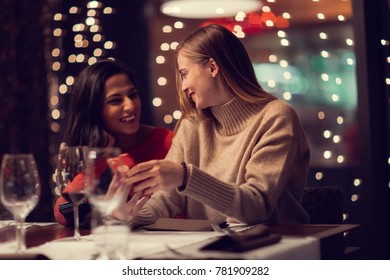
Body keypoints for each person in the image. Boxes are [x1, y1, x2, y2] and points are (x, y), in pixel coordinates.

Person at [111, 24, 311, 227]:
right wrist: (123, 216)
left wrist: (186, 177)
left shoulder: (276, 117)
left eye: (185, 74)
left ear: (213, 67)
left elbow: (256, 208)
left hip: (274, 248)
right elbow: (166, 200)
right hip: (210, 250)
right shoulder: (192, 124)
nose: (184, 86)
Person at [53, 59, 174, 226]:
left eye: (133, 95)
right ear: (94, 110)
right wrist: (100, 162)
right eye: (115, 100)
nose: (130, 106)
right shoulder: (95, 153)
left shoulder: (166, 142)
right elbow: (63, 211)